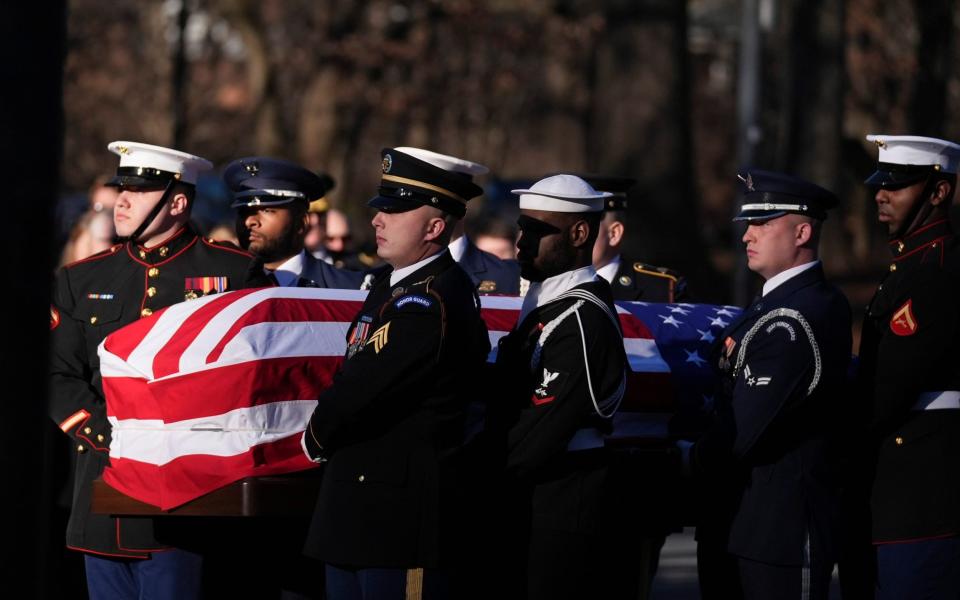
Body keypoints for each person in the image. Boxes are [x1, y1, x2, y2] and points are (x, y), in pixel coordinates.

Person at [48, 141, 265, 600]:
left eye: (138, 192)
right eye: (120, 189)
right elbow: (58, 377)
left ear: (178, 203)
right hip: (103, 494)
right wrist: (112, 436)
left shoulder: (233, 273)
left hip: (189, 505)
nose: (120, 201)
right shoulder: (81, 279)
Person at [301, 147, 491, 599]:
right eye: (381, 208)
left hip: (399, 520)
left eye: (396, 209)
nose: (378, 220)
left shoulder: (430, 301)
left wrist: (315, 436)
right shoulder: (394, 284)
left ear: (435, 227)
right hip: (359, 511)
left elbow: (363, 389)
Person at [679, 170, 851, 600]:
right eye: (747, 226)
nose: (746, 237)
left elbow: (744, 429)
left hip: (779, 533)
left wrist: (679, 460)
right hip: (736, 523)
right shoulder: (773, 306)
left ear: (803, 231)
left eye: (762, 224)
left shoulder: (798, 316)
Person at [490, 174, 627, 599]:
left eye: (537, 230)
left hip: (561, 507)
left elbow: (539, 431)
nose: (521, 242)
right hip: (534, 500)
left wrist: (472, 475)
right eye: (521, 228)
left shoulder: (581, 317)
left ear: (580, 233)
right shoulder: (548, 305)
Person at [855, 135, 960, 599]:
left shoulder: (935, 271)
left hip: (926, 493)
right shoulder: (908, 267)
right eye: (881, 183)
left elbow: (889, 388)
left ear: (939, 192)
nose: (881, 193)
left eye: (898, 185)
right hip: (905, 489)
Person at [393, 147, 520, 295]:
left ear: (458, 210)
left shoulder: (510, 277)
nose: (379, 220)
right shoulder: (374, 278)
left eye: (409, 208)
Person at [224, 156, 364, 289]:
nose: (250, 221)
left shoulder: (345, 288)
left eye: (267, 210)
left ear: (301, 223)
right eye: (243, 212)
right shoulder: (222, 286)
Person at [587, 174, 688, 302]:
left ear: (614, 234)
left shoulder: (663, 290)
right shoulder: (556, 284)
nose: (575, 236)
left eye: (585, 227)